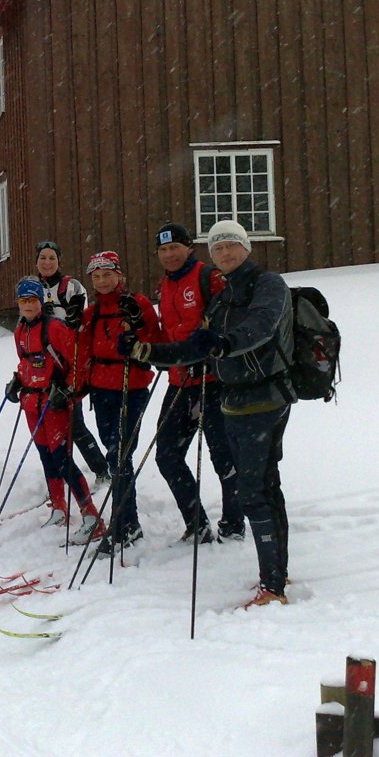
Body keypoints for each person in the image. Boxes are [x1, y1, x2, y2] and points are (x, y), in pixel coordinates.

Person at [120, 220, 294, 608]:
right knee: (264, 485)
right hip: (236, 396)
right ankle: (276, 574)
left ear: (246, 247)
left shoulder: (268, 284)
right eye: (219, 248)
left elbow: (260, 328)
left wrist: (222, 342)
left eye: (232, 246)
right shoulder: (223, 294)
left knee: (254, 489)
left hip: (264, 396)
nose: (226, 253)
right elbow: (194, 347)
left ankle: (273, 586)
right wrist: (146, 352)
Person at [149, 222, 241, 544]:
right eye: (163, 249)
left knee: (223, 457)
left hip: (212, 380)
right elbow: (168, 333)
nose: (169, 254)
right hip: (179, 381)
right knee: (167, 456)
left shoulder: (208, 277)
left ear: (189, 247)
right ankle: (197, 523)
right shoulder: (165, 285)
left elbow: (230, 320)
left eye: (175, 247)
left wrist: (211, 346)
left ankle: (233, 523)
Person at [5, 277, 105, 541]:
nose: (28, 305)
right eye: (23, 300)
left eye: (32, 300)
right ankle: (59, 508)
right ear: (18, 303)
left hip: (54, 403)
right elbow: (26, 362)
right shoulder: (20, 331)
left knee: (62, 459)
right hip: (32, 404)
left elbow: (78, 359)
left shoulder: (55, 328)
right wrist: (17, 381)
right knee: (46, 456)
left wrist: (68, 389)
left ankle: (91, 515)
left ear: (41, 302)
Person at [77, 250, 161, 555]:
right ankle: (130, 521)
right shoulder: (93, 311)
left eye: (107, 275)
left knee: (120, 455)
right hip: (101, 390)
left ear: (119, 276)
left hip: (131, 386)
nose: (101, 282)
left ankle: (123, 523)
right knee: (115, 456)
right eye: (96, 277)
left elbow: (155, 340)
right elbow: (83, 350)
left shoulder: (136, 304)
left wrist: (137, 327)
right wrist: (78, 387)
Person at [32, 240, 109, 483]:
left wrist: (63, 314)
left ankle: (100, 469)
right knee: (48, 425)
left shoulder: (71, 286)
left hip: (67, 361)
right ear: (36, 261)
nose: (47, 262)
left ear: (59, 261)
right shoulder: (31, 285)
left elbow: (77, 322)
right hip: (42, 362)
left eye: (52, 258)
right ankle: (61, 474)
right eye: (43, 258)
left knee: (74, 424)